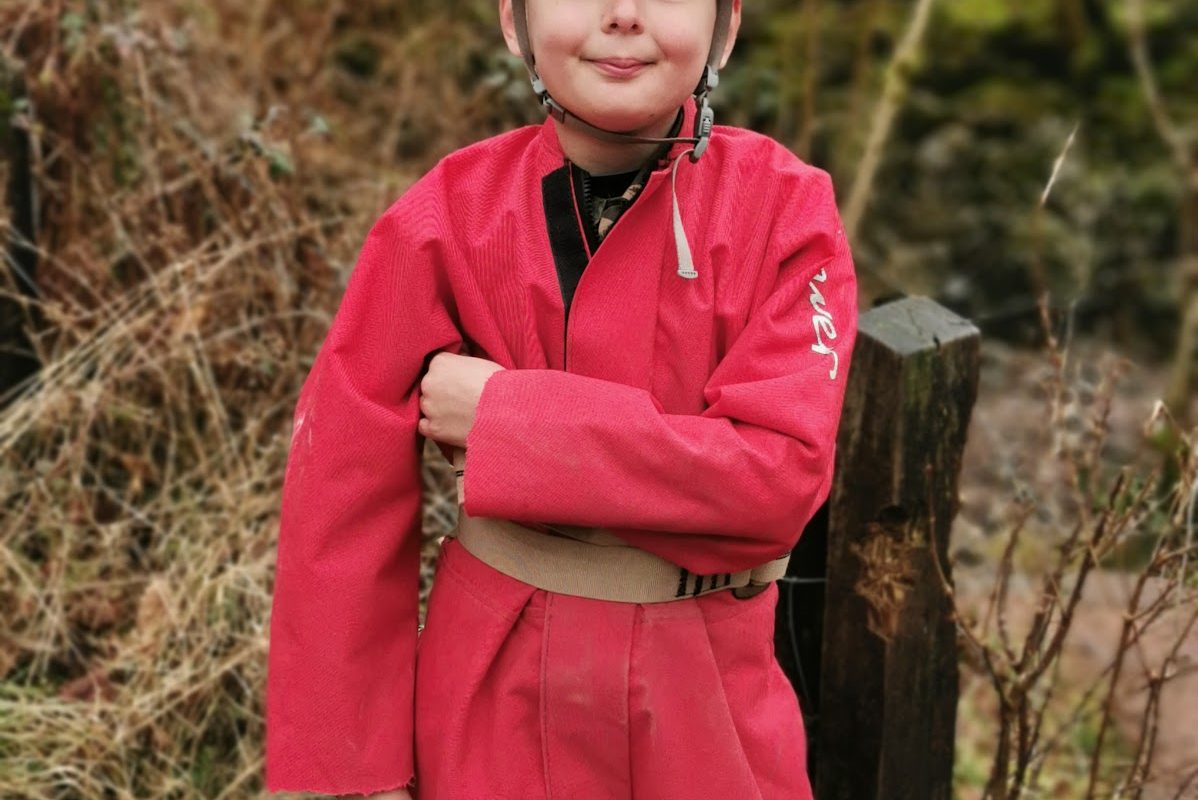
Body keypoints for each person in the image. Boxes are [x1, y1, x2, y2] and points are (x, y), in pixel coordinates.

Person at [264, 0, 858, 796]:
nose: (622, 15)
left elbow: (775, 479)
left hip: (706, 711)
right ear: (514, 21)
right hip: (487, 699)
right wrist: (353, 772)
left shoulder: (784, 213)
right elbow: (338, 500)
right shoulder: (445, 219)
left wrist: (509, 421)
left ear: (728, 22)